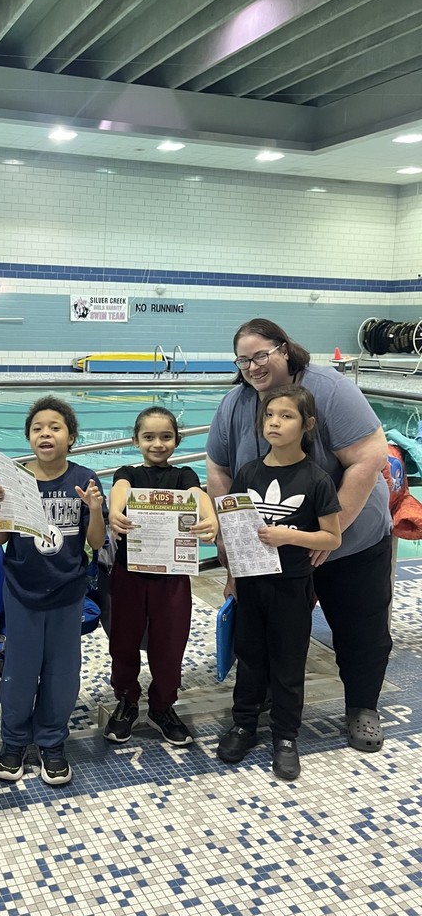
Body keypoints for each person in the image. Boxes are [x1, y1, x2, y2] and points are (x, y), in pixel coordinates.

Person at [206, 318, 392, 752]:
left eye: (260, 355)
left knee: (359, 626)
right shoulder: (236, 404)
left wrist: (332, 534)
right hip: (275, 552)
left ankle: (363, 706)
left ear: (284, 349)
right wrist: (230, 544)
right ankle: (267, 702)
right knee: (272, 630)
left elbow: (369, 456)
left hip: (351, 537)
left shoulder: (327, 390)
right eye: (243, 360)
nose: (252, 367)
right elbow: (219, 469)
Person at [216, 386, 342, 780]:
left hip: (291, 584)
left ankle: (286, 736)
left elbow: (332, 538)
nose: (274, 422)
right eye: (270, 414)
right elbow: (236, 532)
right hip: (251, 583)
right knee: (249, 655)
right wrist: (232, 576)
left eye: (286, 416)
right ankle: (244, 725)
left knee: (288, 662)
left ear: (307, 425)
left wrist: (291, 536)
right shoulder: (249, 472)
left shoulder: (316, 478)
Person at [0, 395, 106, 786]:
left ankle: (52, 741)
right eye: (37, 428)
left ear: (71, 437)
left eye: (55, 427)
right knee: (19, 671)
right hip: (21, 590)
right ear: (29, 438)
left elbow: (98, 543)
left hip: (68, 591)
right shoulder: (14, 479)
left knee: (62, 673)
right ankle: (14, 742)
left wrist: (97, 510)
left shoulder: (83, 479)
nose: (45, 433)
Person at [104, 406, 218, 746]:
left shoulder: (183, 476)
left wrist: (209, 517)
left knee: (170, 645)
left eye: (165, 437)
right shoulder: (128, 474)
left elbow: (198, 496)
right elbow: (121, 488)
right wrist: (113, 511)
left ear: (177, 440)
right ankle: (126, 701)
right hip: (130, 574)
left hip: (172, 577)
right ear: (135, 440)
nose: (157, 444)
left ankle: (162, 706)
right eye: (149, 437)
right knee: (123, 641)